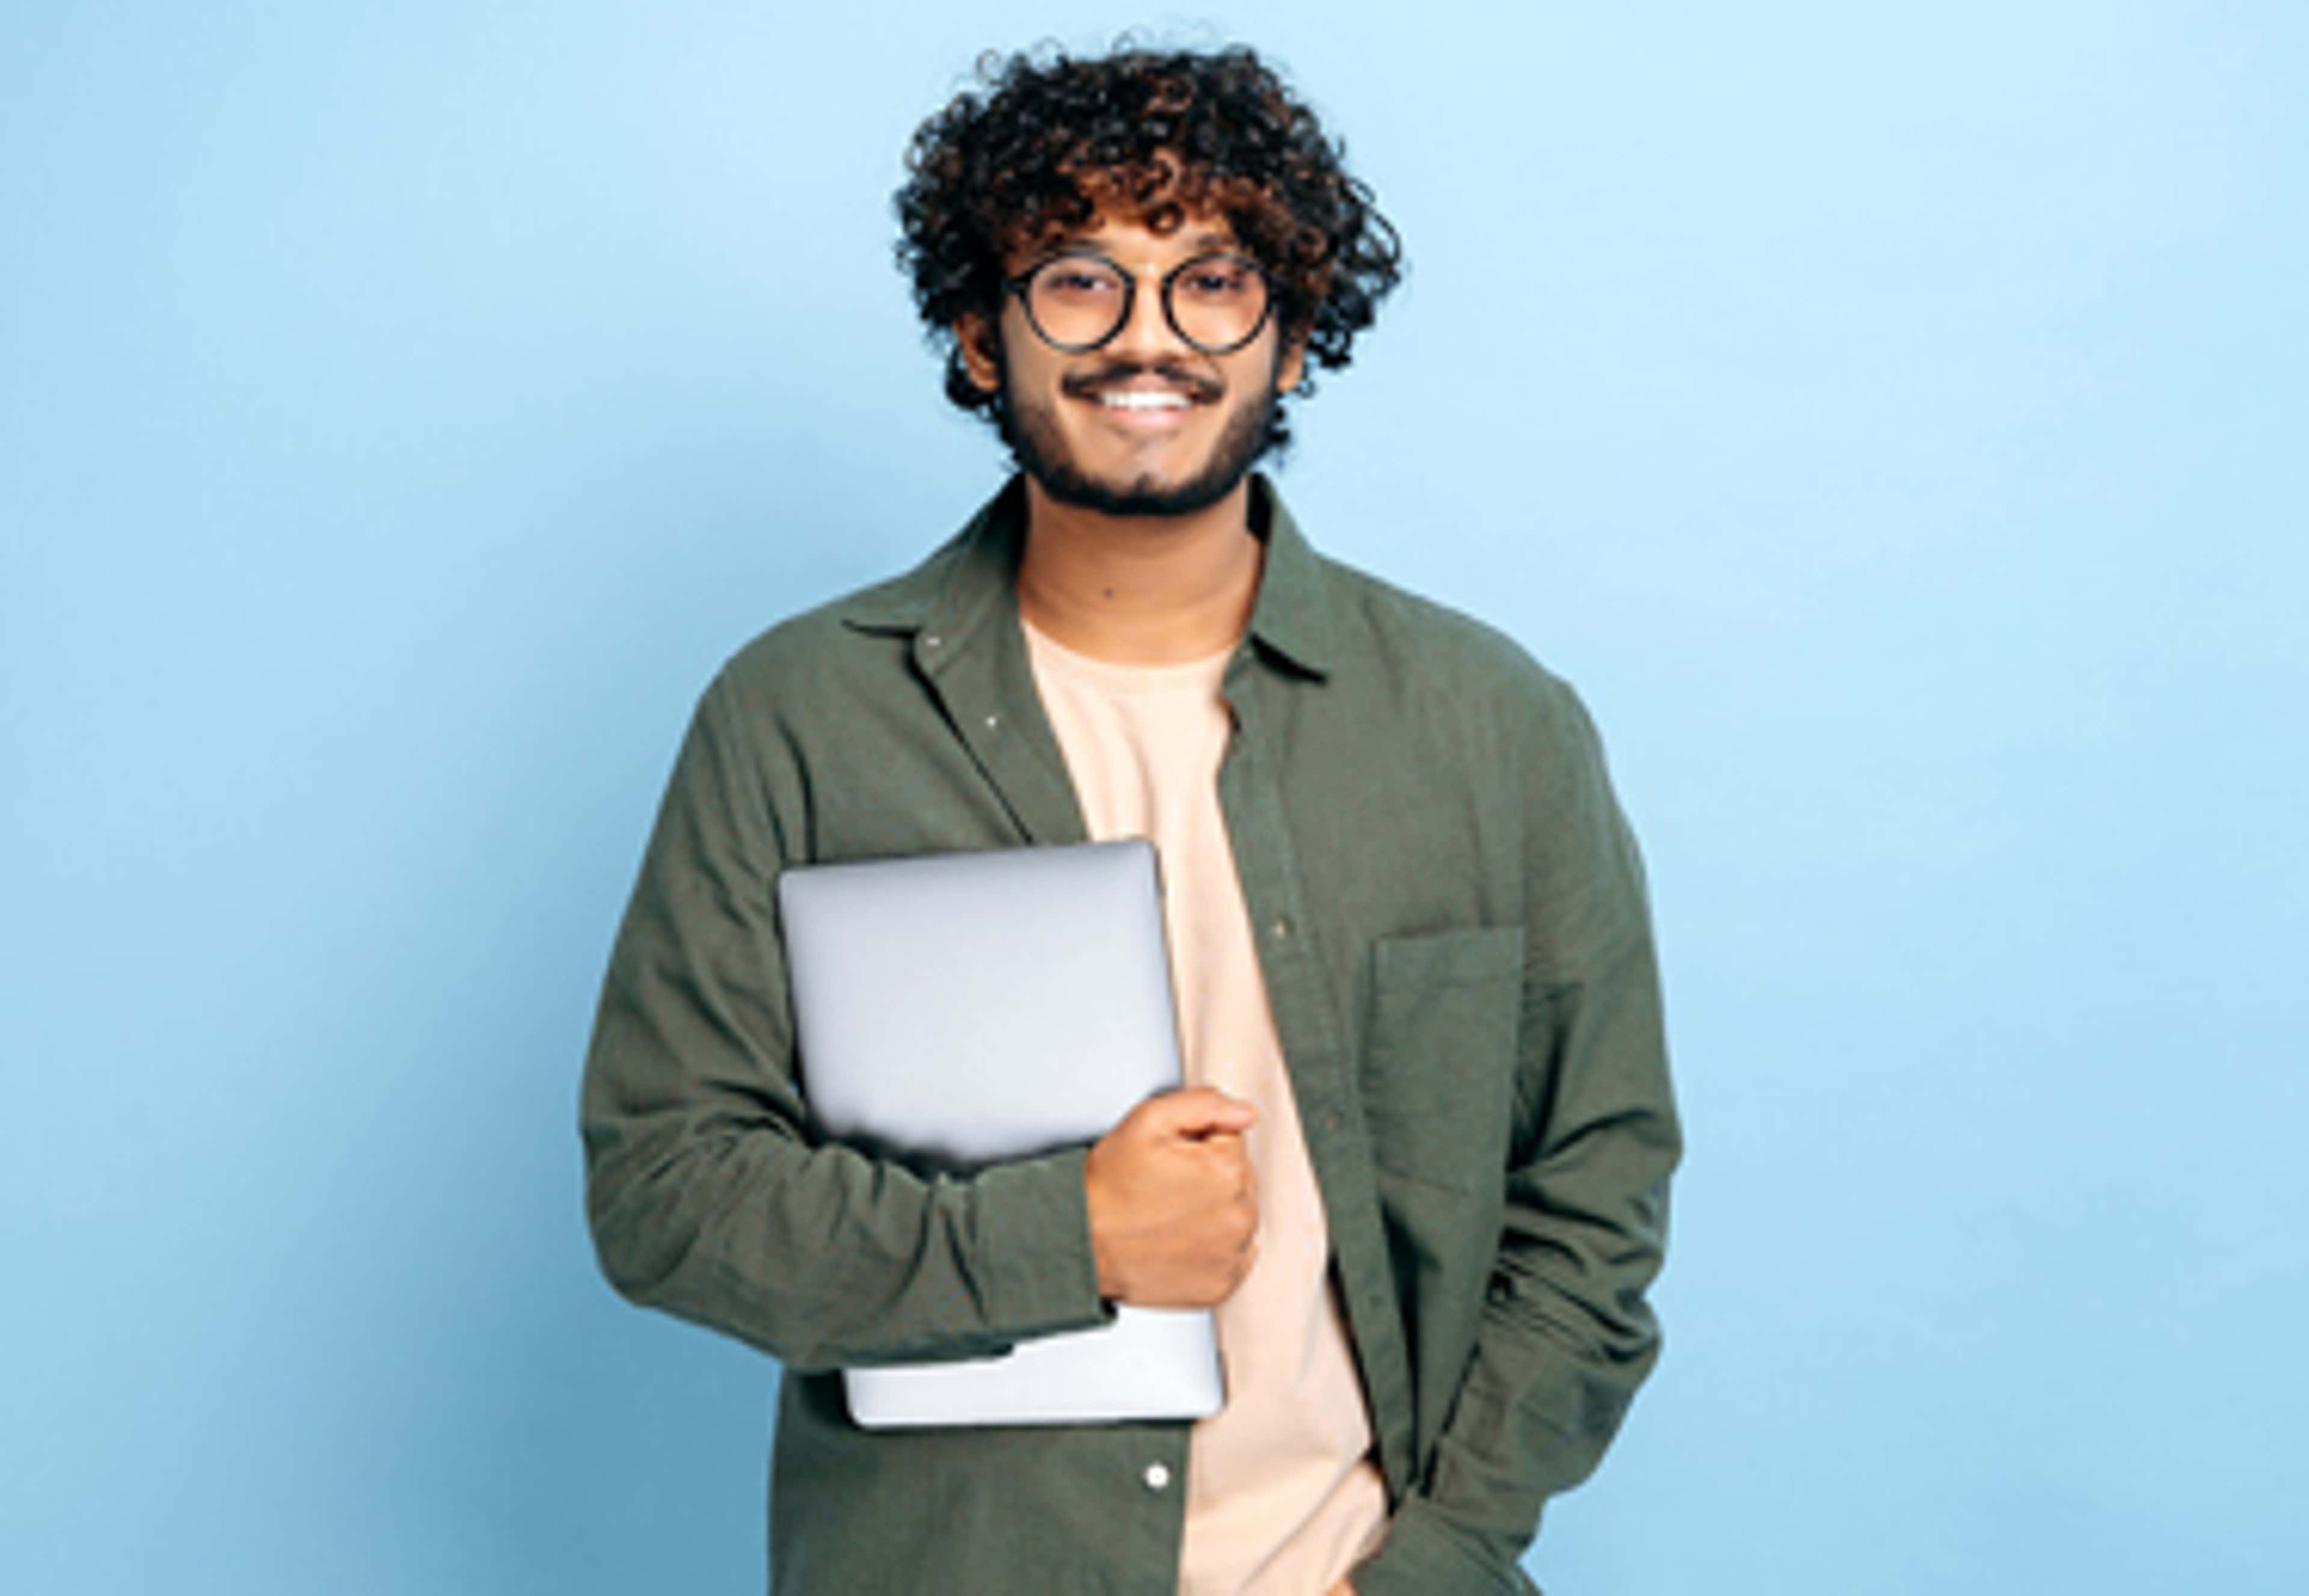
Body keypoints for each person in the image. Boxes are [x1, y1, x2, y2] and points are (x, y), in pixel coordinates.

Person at [580, 41, 1679, 1596]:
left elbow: (1594, 1210)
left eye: (1212, 281)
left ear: (1291, 334)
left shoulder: (1495, 728)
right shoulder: (800, 717)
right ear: (983, 337)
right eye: (1079, 281)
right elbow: (665, 1195)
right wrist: (1071, 1237)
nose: (1146, 337)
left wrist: (1435, 1567)